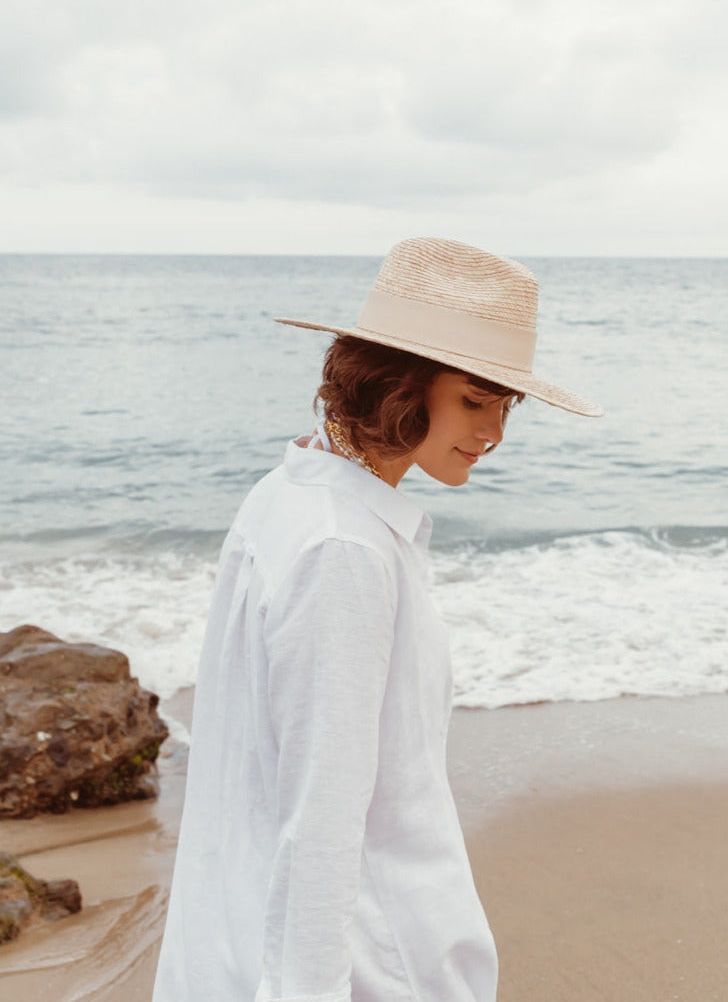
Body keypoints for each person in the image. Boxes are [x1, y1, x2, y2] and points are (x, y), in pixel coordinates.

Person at [151, 238, 602, 1001]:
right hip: (371, 959)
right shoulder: (343, 548)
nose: (493, 431)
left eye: (503, 404)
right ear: (401, 384)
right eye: (473, 398)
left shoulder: (288, 491)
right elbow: (321, 814)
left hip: (251, 934)